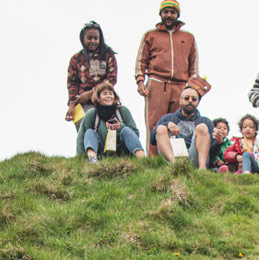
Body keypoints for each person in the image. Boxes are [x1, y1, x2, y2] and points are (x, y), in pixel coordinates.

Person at [135, 0, 199, 155]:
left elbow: (194, 64)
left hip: (181, 85)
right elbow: (141, 60)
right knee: (154, 123)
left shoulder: (188, 37)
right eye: (166, 12)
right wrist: (140, 81)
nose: (169, 15)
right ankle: (153, 160)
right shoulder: (150, 35)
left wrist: (193, 87)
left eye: (172, 12)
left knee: (181, 123)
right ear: (160, 14)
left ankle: (178, 159)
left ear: (178, 14)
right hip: (157, 82)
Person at [152, 87, 221, 169]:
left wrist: (218, 143)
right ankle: (175, 166)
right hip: (172, 158)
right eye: (186, 98)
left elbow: (212, 152)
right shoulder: (167, 118)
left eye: (194, 99)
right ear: (180, 101)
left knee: (202, 127)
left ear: (198, 102)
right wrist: (166, 124)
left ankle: (202, 169)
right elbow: (152, 139)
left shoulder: (206, 122)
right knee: (161, 128)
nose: (190, 101)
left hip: (195, 158)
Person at [76, 82, 145, 163]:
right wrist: (80, 158)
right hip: (101, 153)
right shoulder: (92, 114)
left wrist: (121, 127)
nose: (108, 96)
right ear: (99, 98)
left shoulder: (123, 111)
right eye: (104, 94)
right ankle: (92, 160)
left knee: (126, 130)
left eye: (111, 93)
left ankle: (142, 159)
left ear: (114, 97)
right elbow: (82, 137)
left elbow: (135, 134)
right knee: (89, 132)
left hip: (122, 151)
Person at [65, 21, 118, 125]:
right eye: (89, 38)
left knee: (106, 132)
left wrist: (92, 93)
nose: (93, 41)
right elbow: (72, 84)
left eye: (96, 38)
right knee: (86, 132)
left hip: (106, 103)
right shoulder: (76, 59)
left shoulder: (108, 56)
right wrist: (71, 105)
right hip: (82, 105)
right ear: (83, 39)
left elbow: (111, 79)